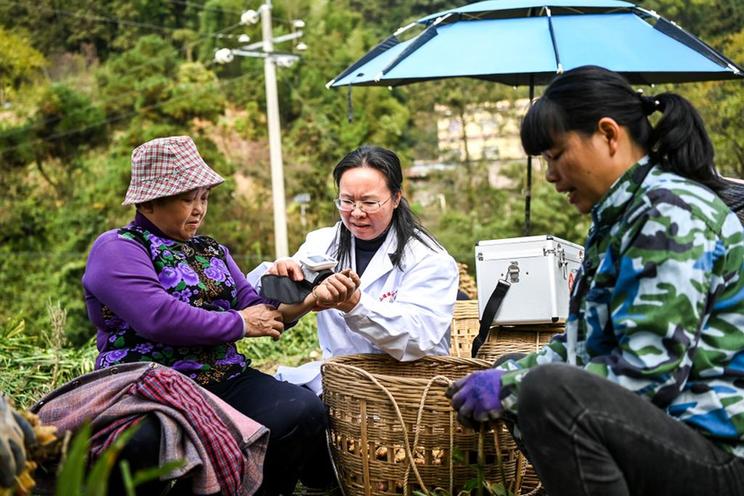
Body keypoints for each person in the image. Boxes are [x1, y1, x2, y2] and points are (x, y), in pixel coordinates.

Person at [447, 66, 744, 496]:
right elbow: (580, 348)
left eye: (556, 155)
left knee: (546, 392)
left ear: (607, 135)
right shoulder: (621, 218)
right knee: (522, 375)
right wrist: (506, 374)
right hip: (673, 439)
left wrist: (515, 388)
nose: (550, 176)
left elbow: (648, 375)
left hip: (717, 452)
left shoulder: (669, 215)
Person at [82, 136, 357, 495]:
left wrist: (308, 297)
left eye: (204, 198)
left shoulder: (211, 250)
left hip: (222, 378)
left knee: (300, 411)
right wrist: (242, 323)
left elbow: (256, 306)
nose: (199, 209)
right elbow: (159, 317)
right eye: (187, 199)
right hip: (149, 384)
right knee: (141, 445)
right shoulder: (118, 248)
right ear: (148, 204)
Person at [268, 145, 458, 389]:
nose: (356, 213)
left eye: (369, 202)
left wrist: (355, 304)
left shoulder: (428, 258)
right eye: (346, 201)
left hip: (407, 389)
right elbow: (279, 310)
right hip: (342, 383)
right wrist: (282, 280)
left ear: (396, 198)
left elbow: (418, 338)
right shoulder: (322, 243)